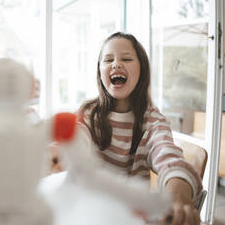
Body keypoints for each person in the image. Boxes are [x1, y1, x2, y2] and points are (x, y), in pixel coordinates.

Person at [53, 32, 202, 224]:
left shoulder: (153, 121)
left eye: (126, 58)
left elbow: (168, 156)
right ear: (99, 71)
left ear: (142, 70)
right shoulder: (88, 113)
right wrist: (60, 150)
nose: (115, 64)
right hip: (88, 213)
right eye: (108, 60)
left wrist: (177, 195)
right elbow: (76, 138)